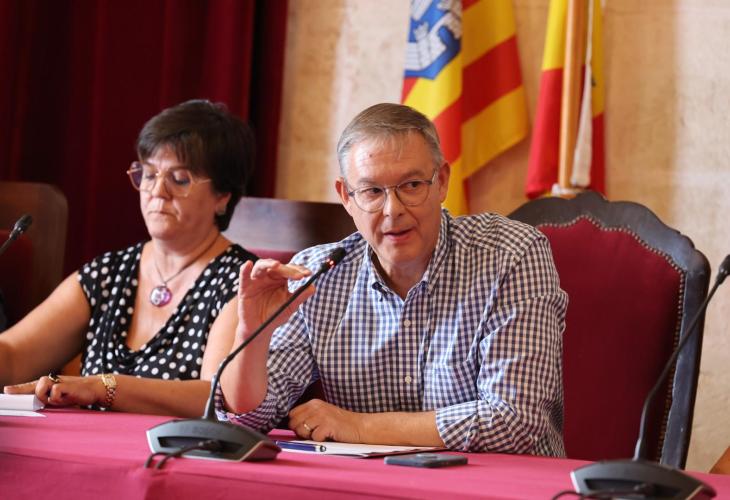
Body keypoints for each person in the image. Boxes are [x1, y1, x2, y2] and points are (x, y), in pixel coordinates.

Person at [217, 103, 568, 455]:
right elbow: (249, 419)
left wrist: (358, 426)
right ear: (346, 197)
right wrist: (252, 335)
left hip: (496, 480)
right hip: (371, 482)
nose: (392, 209)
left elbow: (513, 420)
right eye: (372, 192)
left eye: (411, 185)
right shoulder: (318, 273)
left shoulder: (511, 255)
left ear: (441, 181)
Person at [1, 99, 257, 417]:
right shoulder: (109, 273)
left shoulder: (243, 281)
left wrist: (104, 387)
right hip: (85, 442)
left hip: (173, 446)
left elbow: (215, 394)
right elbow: (12, 356)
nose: (157, 191)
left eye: (179, 179)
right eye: (148, 174)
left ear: (223, 197)